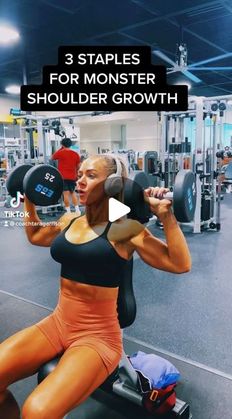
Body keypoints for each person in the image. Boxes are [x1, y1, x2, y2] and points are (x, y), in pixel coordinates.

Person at [0, 154, 191, 419]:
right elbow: (35, 235)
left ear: (113, 185)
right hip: (58, 323)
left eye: (90, 176)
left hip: (97, 337)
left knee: (36, 412)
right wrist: (30, 196)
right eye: (79, 174)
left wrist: (167, 216)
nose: (79, 181)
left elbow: (179, 263)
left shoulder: (124, 229)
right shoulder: (70, 220)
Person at [51, 137, 81, 214]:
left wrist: (61, 148)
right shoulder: (75, 154)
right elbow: (78, 166)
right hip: (72, 177)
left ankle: (68, 211)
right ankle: (77, 210)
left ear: (62, 144)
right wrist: (77, 175)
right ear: (70, 145)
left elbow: (52, 157)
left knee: (65, 194)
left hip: (63, 177)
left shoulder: (61, 152)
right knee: (73, 193)